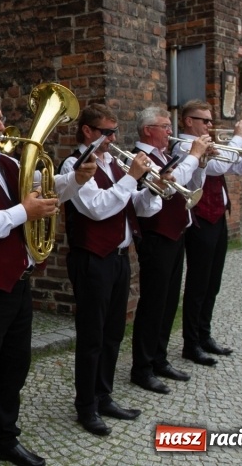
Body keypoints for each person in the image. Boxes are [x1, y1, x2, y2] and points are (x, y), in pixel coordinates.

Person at [0, 89, 96, 466]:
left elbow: (41, 192)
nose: (3, 125)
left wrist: (74, 180)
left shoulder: (9, 163)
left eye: (0, 118)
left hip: (17, 280)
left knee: (15, 367)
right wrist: (22, 213)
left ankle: (4, 437)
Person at [58, 103, 162, 436]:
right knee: (92, 336)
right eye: (106, 132)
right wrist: (131, 178)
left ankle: (104, 395)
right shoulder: (74, 164)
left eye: (115, 132)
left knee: (114, 331)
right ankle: (86, 405)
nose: (113, 138)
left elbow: (139, 208)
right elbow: (97, 209)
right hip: (92, 258)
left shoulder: (114, 161)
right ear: (87, 131)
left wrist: (153, 187)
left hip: (118, 256)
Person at [129, 108, 210, 395]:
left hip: (175, 234)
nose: (169, 131)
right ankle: (142, 367)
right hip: (156, 237)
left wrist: (198, 162)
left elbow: (184, 185)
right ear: (148, 129)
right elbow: (170, 184)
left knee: (167, 302)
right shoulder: (140, 158)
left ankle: (159, 358)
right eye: (164, 126)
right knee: (153, 304)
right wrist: (194, 155)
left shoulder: (164, 156)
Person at [178, 100, 242, 366]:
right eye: (204, 120)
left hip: (218, 218)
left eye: (210, 120)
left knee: (212, 283)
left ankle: (205, 335)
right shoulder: (183, 145)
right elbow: (217, 167)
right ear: (188, 121)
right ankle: (191, 344)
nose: (210, 125)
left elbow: (236, 167)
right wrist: (238, 138)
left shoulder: (210, 143)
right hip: (199, 219)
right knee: (198, 284)